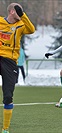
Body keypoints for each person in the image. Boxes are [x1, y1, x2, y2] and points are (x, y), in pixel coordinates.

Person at [0, 3, 35, 133]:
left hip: (10, 61)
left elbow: (31, 30)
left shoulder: (20, 26)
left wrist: (22, 16)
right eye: (19, 10)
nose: (21, 13)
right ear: (12, 11)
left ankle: (5, 128)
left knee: (8, 95)